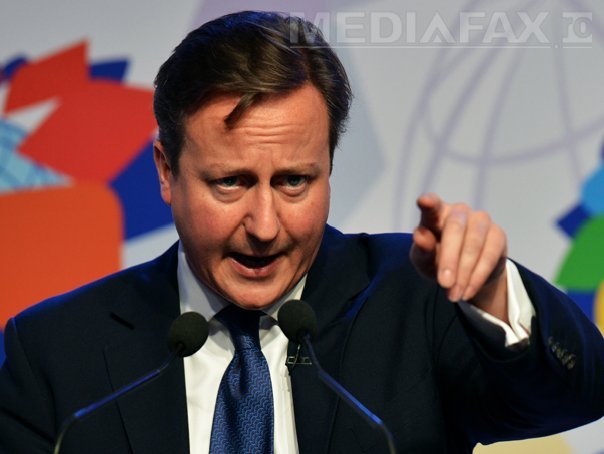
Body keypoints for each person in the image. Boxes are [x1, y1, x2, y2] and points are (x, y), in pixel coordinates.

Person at [0, 10, 602, 454]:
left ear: (329, 168)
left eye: (294, 182)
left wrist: (493, 294)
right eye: (230, 182)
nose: (265, 227)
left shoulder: (417, 303)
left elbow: (579, 395)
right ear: (166, 171)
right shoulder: (55, 352)